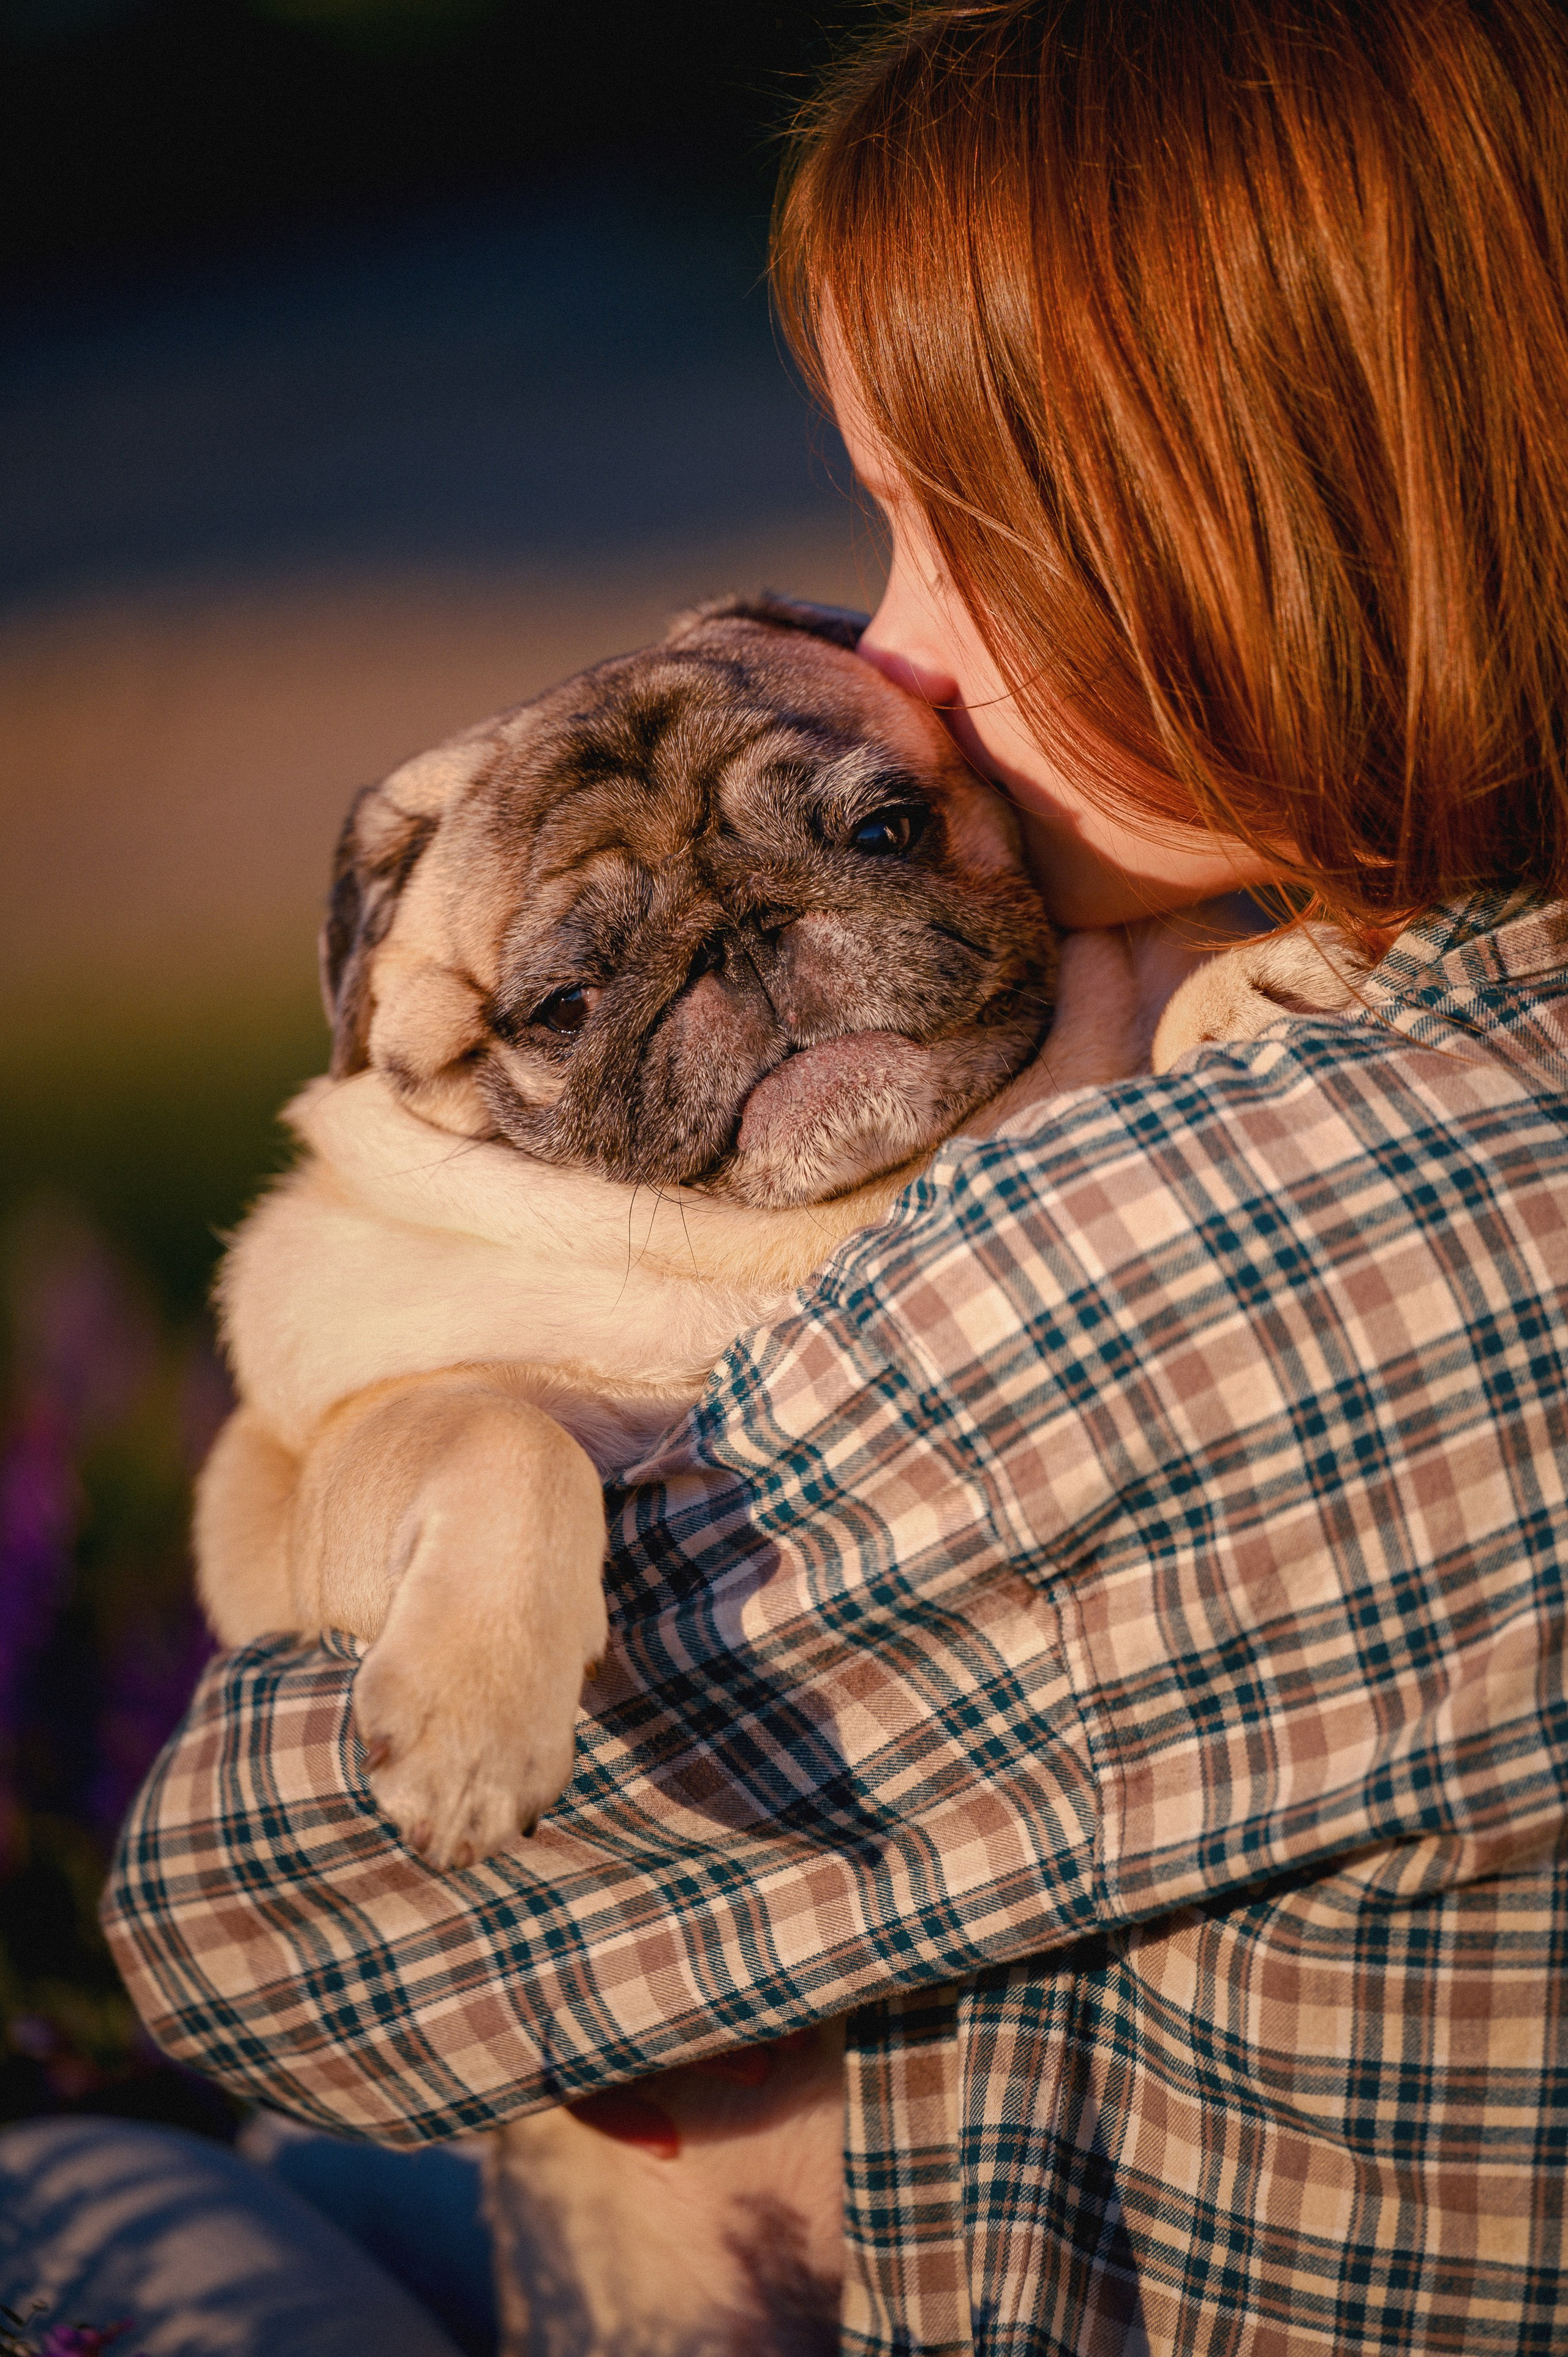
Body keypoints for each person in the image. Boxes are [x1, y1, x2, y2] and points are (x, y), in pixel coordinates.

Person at [85, 0, 1568, 2349]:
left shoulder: (1215, 1258)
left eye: (956, 532)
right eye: (581, 1000)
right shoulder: (1375, 1017)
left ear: (1304, 533)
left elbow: (253, 1938)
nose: (899, 647)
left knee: (72, 2200)